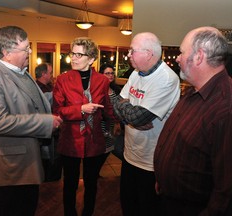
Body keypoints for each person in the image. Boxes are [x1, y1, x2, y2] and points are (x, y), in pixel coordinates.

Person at [0, 26, 63, 216]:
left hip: (27, 160)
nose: (30, 52)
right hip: (11, 168)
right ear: (7, 52)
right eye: (25, 48)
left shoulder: (20, 71)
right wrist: (45, 123)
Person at [154, 26, 232, 216]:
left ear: (199, 56)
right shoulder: (194, 91)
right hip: (169, 199)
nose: (177, 58)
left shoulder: (225, 107)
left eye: (181, 52)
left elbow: (226, 189)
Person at [113, 32, 180, 216]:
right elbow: (116, 103)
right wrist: (130, 116)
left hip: (151, 163)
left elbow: (138, 117)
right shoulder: (136, 73)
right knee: (129, 206)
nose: (128, 55)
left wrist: (130, 116)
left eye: (132, 51)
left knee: (148, 209)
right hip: (130, 156)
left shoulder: (166, 79)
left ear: (149, 54)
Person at [52, 37, 115, 216]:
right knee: (70, 184)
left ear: (92, 58)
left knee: (92, 183)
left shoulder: (103, 80)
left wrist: (123, 119)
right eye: (73, 53)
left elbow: (107, 108)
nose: (74, 58)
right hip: (70, 140)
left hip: (94, 141)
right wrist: (80, 109)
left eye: (80, 54)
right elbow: (57, 111)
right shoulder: (63, 80)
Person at [98, 64, 122, 162]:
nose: (110, 75)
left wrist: (118, 122)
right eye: (107, 73)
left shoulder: (116, 90)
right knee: (99, 153)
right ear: (101, 75)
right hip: (101, 126)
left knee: (108, 149)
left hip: (113, 126)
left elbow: (120, 107)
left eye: (112, 73)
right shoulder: (98, 90)